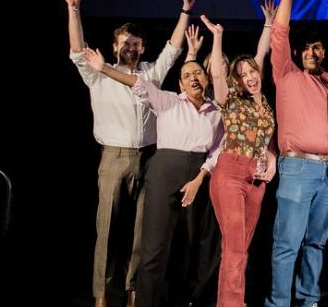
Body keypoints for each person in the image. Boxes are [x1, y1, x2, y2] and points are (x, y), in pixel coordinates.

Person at [54, 0, 195, 307]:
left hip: (149, 158)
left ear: (142, 48)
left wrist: (186, 10)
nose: (130, 48)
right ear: (115, 46)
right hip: (114, 157)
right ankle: (102, 296)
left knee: (141, 232)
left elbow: (173, 49)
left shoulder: (150, 73)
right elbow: (76, 50)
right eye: (125, 43)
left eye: (136, 44)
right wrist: (73, 8)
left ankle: (133, 292)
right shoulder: (98, 70)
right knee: (107, 230)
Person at [81, 49, 224, 307]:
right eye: (187, 75)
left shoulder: (216, 112)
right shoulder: (167, 100)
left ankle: (180, 300)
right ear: (180, 84)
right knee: (154, 248)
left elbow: (217, 150)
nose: (194, 78)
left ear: (206, 79)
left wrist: (200, 178)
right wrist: (103, 68)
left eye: (198, 74)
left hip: (197, 176)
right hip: (164, 172)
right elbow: (136, 83)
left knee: (187, 246)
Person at [266, 0, 328, 307]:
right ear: (298, 54)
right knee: (288, 244)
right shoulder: (286, 73)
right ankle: (280, 302)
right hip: (297, 168)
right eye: (307, 48)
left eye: (318, 48)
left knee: (317, 242)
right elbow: (279, 32)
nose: (313, 52)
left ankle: (308, 299)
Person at [200, 14, 280, 307]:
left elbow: (261, 54)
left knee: (240, 249)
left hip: (256, 180)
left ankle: (231, 302)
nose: (250, 76)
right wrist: (218, 37)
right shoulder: (231, 99)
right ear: (237, 80)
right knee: (234, 248)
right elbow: (218, 76)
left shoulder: (266, 104)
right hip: (230, 174)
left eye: (252, 71)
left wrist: (268, 26)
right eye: (243, 73)